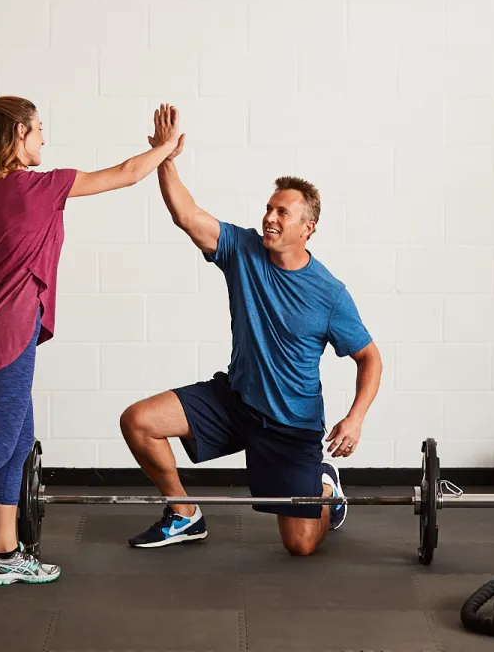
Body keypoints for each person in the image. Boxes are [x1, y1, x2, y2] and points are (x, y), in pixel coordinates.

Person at [0, 97, 181, 614]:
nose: (44, 139)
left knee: (16, 443)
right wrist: (167, 147)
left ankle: (3, 554)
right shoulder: (41, 187)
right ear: (18, 135)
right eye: (39, 130)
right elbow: (128, 174)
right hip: (10, 336)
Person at [120, 107, 382, 556]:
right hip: (237, 403)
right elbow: (187, 215)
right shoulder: (242, 250)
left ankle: (325, 488)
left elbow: (370, 357)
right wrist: (165, 155)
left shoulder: (329, 293)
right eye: (268, 208)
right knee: (139, 421)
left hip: (290, 427)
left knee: (299, 546)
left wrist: (355, 418)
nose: (270, 218)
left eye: (283, 212)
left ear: (307, 228)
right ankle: (184, 514)